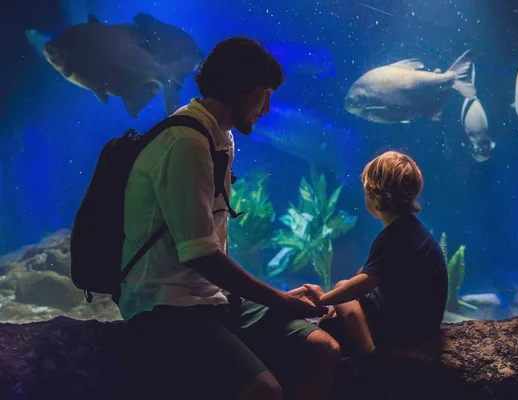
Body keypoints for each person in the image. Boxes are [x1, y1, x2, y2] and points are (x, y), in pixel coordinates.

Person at [121, 36, 340, 400]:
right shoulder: (186, 142)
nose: (267, 108)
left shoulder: (219, 135)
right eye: (264, 93)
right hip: (165, 303)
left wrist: (275, 298)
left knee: (324, 348)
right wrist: (279, 300)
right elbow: (199, 253)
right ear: (239, 89)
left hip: (209, 297)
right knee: (263, 390)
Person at [303, 150, 448, 355]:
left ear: (372, 192)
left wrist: (324, 300)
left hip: (404, 330)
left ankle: (370, 354)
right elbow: (375, 272)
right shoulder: (415, 231)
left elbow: (365, 283)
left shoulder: (390, 238)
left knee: (343, 289)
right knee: (353, 282)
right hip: (426, 325)